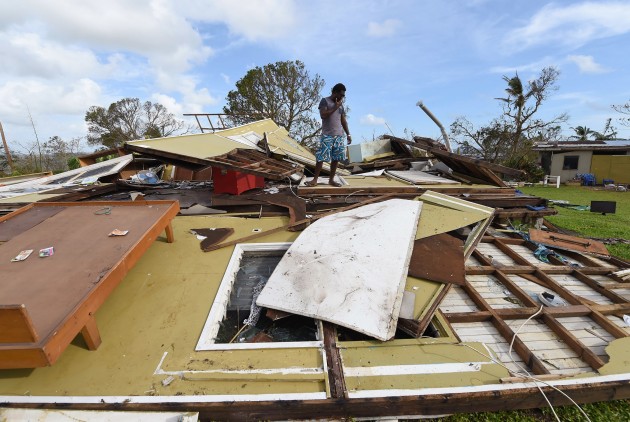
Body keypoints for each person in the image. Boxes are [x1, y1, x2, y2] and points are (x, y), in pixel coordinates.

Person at [305, 83, 352, 187]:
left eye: (343, 96)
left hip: (339, 136)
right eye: (340, 95)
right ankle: (315, 180)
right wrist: (335, 107)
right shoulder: (325, 101)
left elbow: (343, 120)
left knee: (336, 158)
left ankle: (331, 180)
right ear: (334, 92)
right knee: (321, 157)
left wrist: (348, 134)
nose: (341, 97)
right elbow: (323, 115)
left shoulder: (340, 105)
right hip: (327, 135)